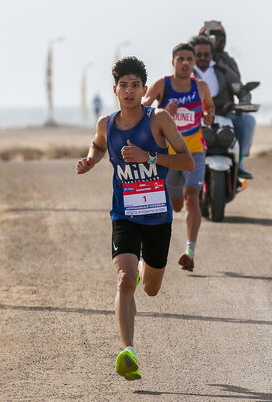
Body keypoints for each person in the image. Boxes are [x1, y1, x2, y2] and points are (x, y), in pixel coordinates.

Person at [75, 56, 194, 381]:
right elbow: (98, 145)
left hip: (157, 218)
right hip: (124, 214)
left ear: (144, 89)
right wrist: (91, 160)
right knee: (125, 281)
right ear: (115, 89)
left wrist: (150, 157)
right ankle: (128, 351)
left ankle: (145, 272)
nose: (129, 91)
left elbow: (186, 162)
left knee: (151, 288)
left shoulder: (159, 119)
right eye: (123, 85)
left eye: (135, 85)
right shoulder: (106, 123)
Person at [142, 43, 214, 272]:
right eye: (181, 59)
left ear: (194, 63)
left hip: (194, 152)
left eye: (189, 59)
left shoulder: (201, 87)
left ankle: (189, 251)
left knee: (192, 198)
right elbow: (141, 112)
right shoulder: (162, 85)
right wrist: (162, 113)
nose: (185, 63)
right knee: (176, 204)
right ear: (173, 62)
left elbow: (209, 112)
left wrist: (208, 116)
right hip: (167, 155)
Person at [191, 35, 257, 179]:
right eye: (198, 54)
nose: (202, 57)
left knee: (248, 120)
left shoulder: (224, 71)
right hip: (193, 118)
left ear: (212, 55)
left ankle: (239, 162)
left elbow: (241, 90)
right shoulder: (185, 73)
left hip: (224, 115)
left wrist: (244, 102)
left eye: (206, 54)